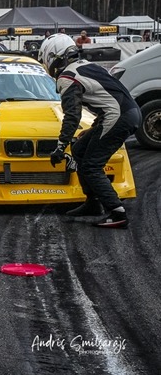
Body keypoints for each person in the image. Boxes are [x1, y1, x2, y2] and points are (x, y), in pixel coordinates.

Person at [38, 34, 140, 229]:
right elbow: (109, 98)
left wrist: (60, 147)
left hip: (118, 117)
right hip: (128, 113)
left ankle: (117, 211)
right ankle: (92, 203)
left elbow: (72, 117)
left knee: (91, 166)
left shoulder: (68, 77)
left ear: (53, 57)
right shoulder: (88, 66)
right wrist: (94, 128)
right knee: (80, 150)